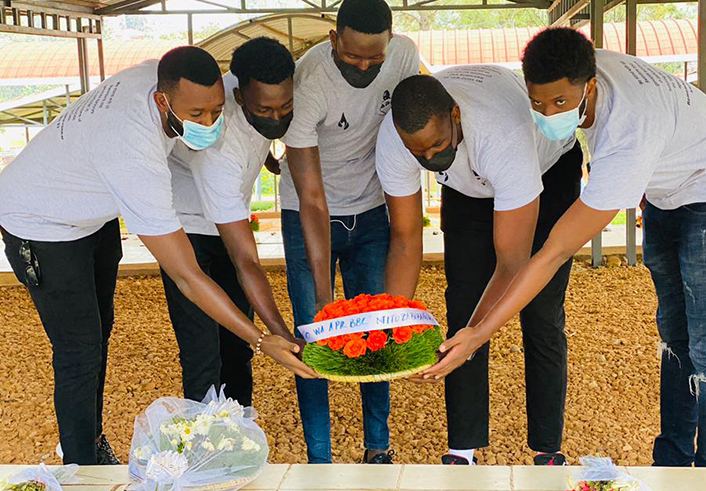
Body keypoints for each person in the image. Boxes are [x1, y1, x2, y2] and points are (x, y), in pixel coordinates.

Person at [423, 28, 706, 468]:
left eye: (560, 103)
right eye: (537, 102)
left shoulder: (627, 136)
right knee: (676, 337)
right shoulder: (576, 61)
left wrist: (480, 332)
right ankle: (673, 468)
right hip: (666, 191)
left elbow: (552, 253)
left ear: (590, 86)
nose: (548, 113)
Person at [0, 46, 309, 466]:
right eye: (197, 114)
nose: (210, 123)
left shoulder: (158, 75)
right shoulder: (133, 151)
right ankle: (83, 465)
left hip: (94, 211)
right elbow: (188, 276)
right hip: (40, 222)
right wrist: (259, 338)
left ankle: (89, 441)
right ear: (163, 101)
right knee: (79, 348)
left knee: (100, 331)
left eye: (217, 109)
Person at [377, 66, 583, 466]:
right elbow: (405, 239)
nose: (431, 158)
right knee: (462, 308)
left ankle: (546, 447)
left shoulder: (501, 136)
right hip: (466, 189)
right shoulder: (395, 139)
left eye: (437, 145)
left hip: (545, 174)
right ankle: (462, 448)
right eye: (419, 153)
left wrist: (479, 334)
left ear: (455, 115)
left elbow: (512, 264)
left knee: (540, 313)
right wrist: (389, 325)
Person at [266, 0, 419, 464]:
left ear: (390, 40)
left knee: (376, 329)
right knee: (311, 338)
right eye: (353, 57)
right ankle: (320, 459)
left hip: (371, 209)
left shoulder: (405, 57)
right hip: (308, 213)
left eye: (375, 58)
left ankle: (378, 448)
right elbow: (312, 198)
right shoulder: (308, 81)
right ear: (333, 40)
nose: (366, 67)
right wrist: (320, 298)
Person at [165, 37, 318, 408]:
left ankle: (240, 424)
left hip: (225, 216)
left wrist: (264, 155)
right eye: (265, 110)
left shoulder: (255, 91)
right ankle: (205, 442)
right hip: (188, 228)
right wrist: (280, 334)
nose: (277, 117)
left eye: (286, 106)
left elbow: (265, 125)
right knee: (203, 346)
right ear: (239, 99)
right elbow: (246, 261)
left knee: (237, 345)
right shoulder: (218, 148)